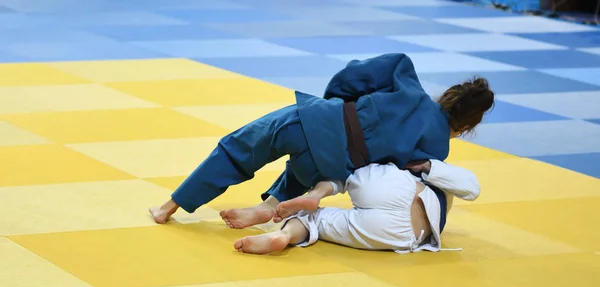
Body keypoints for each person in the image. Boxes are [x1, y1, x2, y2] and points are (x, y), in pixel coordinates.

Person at [149, 53, 494, 226]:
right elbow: (394, 183)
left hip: (315, 121)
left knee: (238, 149)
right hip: (329, 168)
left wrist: (335, 103)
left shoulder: (404, 77)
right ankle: (271, 206)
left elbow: (353, 75)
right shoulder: (437, 149)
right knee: (326, 162)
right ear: (465, 127)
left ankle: (170, 207)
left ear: (447, 96)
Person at [234, 159, 480, 255]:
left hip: (392, 186)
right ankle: (282, 236)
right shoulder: (442, 171)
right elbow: (472, 188)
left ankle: (315, 196)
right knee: (318, 220)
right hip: (404, 235)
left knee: (347, 171)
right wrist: (429, 165)